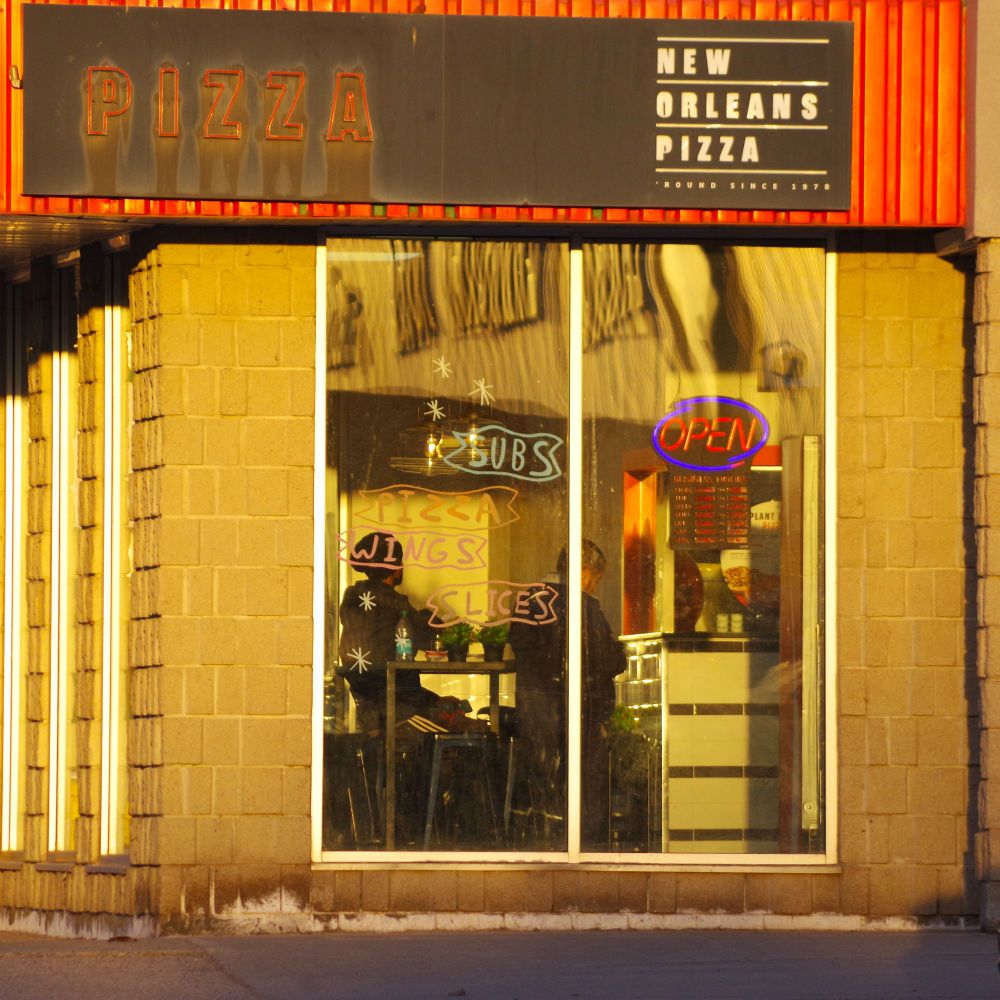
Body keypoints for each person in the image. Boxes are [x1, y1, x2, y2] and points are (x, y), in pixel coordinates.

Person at [508, 539, 626, 849]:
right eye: (596, 579)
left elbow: (520, 644)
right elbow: (608, 659)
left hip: (534, 707)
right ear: (585, 571)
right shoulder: (581, 604)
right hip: (575, 710)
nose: (594, 586)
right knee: (580, 781)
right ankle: (578, 845)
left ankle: (533, 838)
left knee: (538, 776)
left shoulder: (527, 598)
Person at [338, 530, 449, 735]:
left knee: (447, 706)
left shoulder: (353, 599)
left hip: (371, 710)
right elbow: (433, 638)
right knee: (464, 722)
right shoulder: (395, 604)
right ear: (395, 567)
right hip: (400, 707)